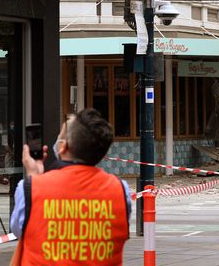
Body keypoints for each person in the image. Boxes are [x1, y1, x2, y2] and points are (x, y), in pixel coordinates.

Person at [10, 109, 131, 265]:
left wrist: (33, 176)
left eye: (59, 136)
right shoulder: (121, 191)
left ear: (62, 147)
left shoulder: (30, 188)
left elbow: (20, 231)